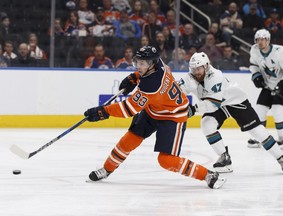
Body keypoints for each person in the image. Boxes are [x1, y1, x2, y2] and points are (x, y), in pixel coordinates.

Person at [83, 46, 226, 189]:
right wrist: (134, 77)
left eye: (142, 63)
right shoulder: (159, 64)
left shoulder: (151, 85)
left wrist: (103, 112)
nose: (139, 66)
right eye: (137, 62)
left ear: (151, 64)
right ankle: (107, 169)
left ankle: (208, 175)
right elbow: (143, 74)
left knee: (166, 160)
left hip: (173, 117)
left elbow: (128, 109)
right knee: (129, 140)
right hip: (154, 109)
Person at [178, 52, 283, 173]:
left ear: (206, 66)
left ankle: (281, 158)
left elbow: (212, 104)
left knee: (257, 131)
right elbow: (177, 91)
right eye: (193, 69)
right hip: (218, 104)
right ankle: (224, 157)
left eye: (198, 68)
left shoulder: (215, 76)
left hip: (235, 101)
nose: (196, 72)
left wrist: (192, 109)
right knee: (207, 124)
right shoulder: (190, 77)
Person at [246, 29, 283, 149]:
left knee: (277, 111)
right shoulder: (254, 50)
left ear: (268, 40)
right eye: (257, 40)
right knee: (259, 110)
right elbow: (253, 65)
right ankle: (261, 138)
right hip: (268, 86)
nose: (260, 42)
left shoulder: (280, 51)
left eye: (262, 39)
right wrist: (256, 76)